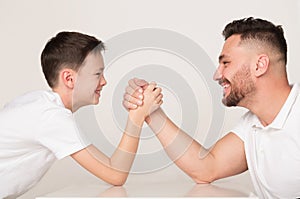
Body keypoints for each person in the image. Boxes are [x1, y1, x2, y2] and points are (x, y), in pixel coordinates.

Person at [122, 17, 300, 198]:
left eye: (226, 63)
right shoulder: (253, 124)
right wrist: (151, 112)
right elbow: (206, 168)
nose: (217, 74)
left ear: (259, 65)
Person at [0, 31, 163, 198]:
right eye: (97, 74)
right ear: (69, 79)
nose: (104, 81)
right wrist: (137, 116)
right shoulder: (51, 116)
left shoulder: (36, 103)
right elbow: (115, 174)